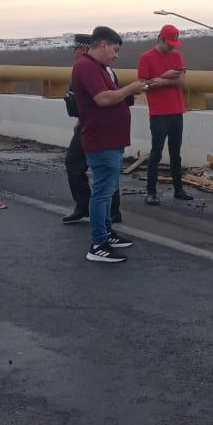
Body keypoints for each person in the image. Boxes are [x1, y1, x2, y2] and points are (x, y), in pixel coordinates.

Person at [70, 25, 173, 263]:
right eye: (114, 50)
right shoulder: (86, 67)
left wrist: (130, 91)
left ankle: (107, 233)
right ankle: (98, 244)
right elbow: (103, 98)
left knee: (108, 190)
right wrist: (131, 88)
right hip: (101, 140)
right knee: (102, 193)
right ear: (103, 45)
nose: (116, 55)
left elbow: (110, 96)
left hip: (110, 139)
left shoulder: (99, 68)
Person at [62, 33, 123, 225]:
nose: (74, 53)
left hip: (98, 127)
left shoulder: (101, 70)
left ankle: (109, 212)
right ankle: (85, 206)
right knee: (77, 165)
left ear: (84, 49)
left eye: (76, 49)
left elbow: (105, 98)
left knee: (104, 170)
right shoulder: (83, 68)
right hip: (87, 124)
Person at [138, 24, 191, 205]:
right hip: (159, 113)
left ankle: (179, 189)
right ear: (160, 39)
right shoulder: (146, 58)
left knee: (175, 152)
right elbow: (142, 85)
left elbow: (183, 82)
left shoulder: (176, 55)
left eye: (174, 44)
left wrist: (163, 80)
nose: (172, 47)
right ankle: (151, 192)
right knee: (156, 153)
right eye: (169, 43)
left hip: (176, 111)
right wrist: (166, 77)